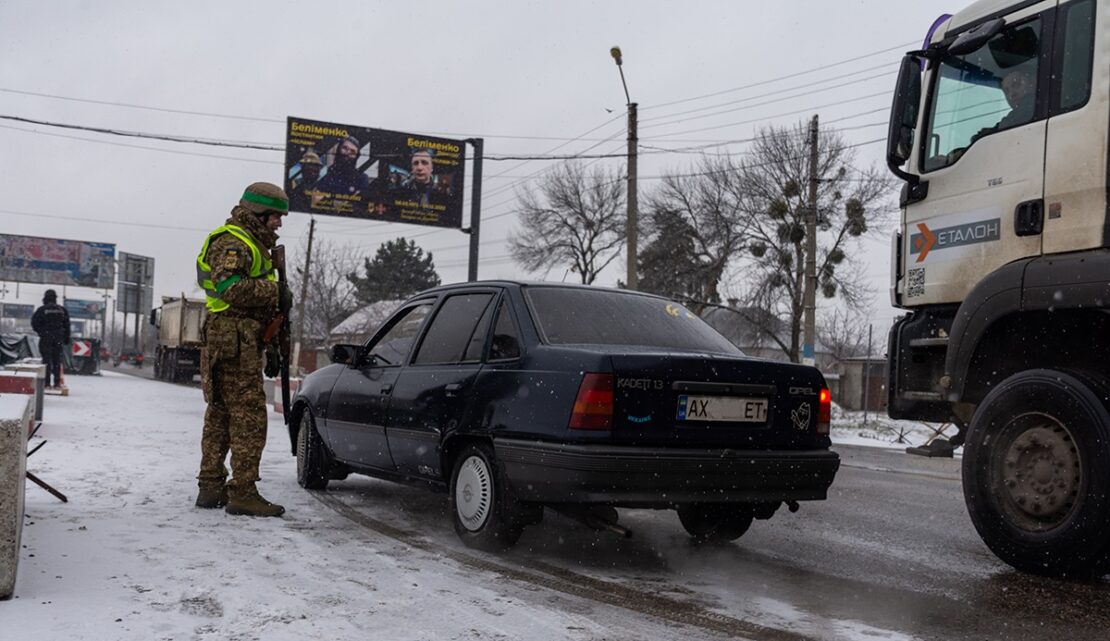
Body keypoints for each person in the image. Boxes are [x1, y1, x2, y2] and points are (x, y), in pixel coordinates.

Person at [194, 182, 294, 517]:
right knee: (249, 415)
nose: (279, 224)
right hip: (234, 336)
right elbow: (228, 287)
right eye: (275, 217)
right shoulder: (234, 242)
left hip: (233, 336)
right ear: (256, 214)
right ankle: (242, 492)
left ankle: (211, 487)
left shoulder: (246, 241)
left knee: (221, 412)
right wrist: (274, 293)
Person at [311, 135, 371, 207]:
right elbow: (315, 200)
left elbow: (360, 205)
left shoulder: (362, 178)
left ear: (356, 156)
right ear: (339, 149)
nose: (347, 153)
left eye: (352, 151)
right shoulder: (325, 173)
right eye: (345, 148)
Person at [31, 289, 69, 389]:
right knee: (57, 361)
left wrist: (41, 332)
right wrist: (66, 338)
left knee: (46, 360)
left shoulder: (42, 310)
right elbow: (67, 325)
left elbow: (34, 323)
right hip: (58, 339)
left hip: (46, 338)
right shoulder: (62, 310)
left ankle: (46, 383)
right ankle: (57, 383)